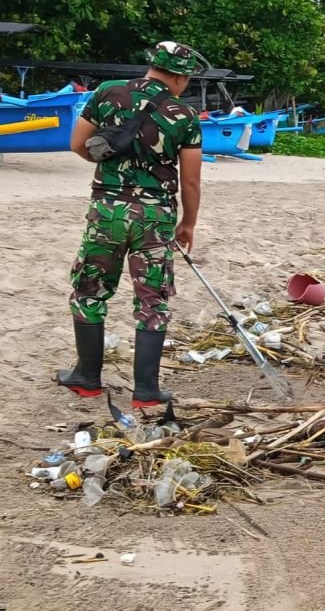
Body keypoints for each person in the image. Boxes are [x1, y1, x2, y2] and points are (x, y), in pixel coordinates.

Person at [56, 41, 203, 408]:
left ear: (153, 65)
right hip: (155, 216)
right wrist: (188, 224)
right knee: (153, 300)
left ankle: (87, 378)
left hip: (106, 209)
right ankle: (146, 391)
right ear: (180, 77)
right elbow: (191, 181)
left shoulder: (108, 93)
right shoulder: (184, 114)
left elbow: (77, 144)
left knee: (90, 289)